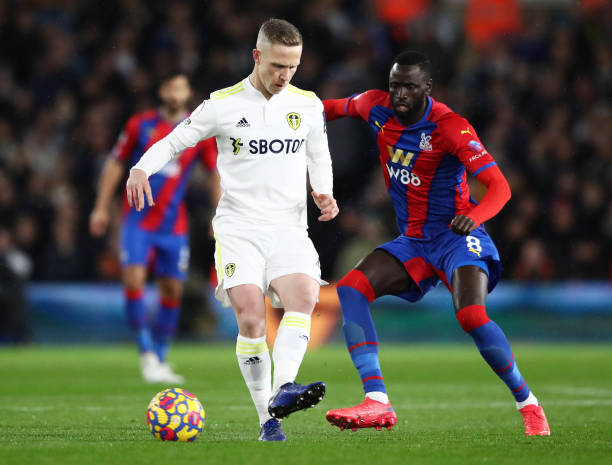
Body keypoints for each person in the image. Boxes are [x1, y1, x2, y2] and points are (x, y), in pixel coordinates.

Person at [124, 19, 339, 442]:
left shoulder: (307, 104)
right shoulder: (222, 105)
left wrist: (324, 192)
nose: (285, 76)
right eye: (278, 65)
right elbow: (173, 142)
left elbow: (320, 155)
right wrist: (139, 168)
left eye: (292, 67)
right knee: (252, 320)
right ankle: (268, 420)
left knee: (305, 297)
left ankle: (284, 390)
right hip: (239, 228)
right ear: (257, 57)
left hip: (289, 227)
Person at [322, 51, 550, 436]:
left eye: (409, 86)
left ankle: (528, 405)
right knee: (350, 289)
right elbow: (325, 108)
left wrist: (474, 217)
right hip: (414, 241)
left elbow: (500, 188)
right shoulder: (374, 106)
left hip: (458, 238)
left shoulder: (450, 127)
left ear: (427, 87)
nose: (400, 94)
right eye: (395, 85)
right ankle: (376, 400)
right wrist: (280, 111)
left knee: (470, 316)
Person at [90, 71, 219, 384]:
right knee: (133, 278)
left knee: (172, 288)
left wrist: (219, 213)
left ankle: (160, 356)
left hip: (173, 225)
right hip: (137, 220)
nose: (176, 92)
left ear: (188, 92)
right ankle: (147, 352)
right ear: (162, 90)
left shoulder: (198, 130)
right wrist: (101, 207)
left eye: (181, 87)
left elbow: (215, 173)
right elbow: (116, 163)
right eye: (170, 86)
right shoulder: (140, 125)